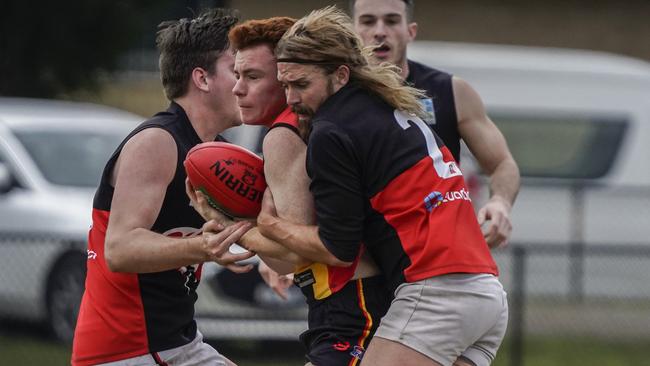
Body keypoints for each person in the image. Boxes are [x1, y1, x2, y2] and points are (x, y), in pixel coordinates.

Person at [250, 6, 509, 366]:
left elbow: (336, 248)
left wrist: (265, 225)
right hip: (486, 294)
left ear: (340, 74)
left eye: (301, 85)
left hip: (437, 295)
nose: (291, 99)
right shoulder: (385, 103)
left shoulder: (332, 129)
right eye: (284, 85)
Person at [187, 16, 391, 365]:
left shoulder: (284, 135)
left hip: (349, 304)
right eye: (237, 76)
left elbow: (293, 257)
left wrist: (227, 222)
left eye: (253, 77)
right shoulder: (325, 121)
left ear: (285, 76)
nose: (238, 89)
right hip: (357, 298)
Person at [71, 9, 253, 366]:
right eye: (237, 70)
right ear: (201, 78)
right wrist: (204, 246)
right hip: (129, 349)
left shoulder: (219, 152)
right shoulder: (158, 141)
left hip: (177, 342)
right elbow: (121, 249)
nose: (244, 83)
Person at [350, 0, 520, 248]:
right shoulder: (334, 94)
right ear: (351, 33)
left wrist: (500, 203)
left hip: (437, 252)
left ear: (411, 31)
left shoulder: (451, 91)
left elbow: (503, 163)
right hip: (364, 255)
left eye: (392, 20)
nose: (379, 31)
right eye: (367, 21)